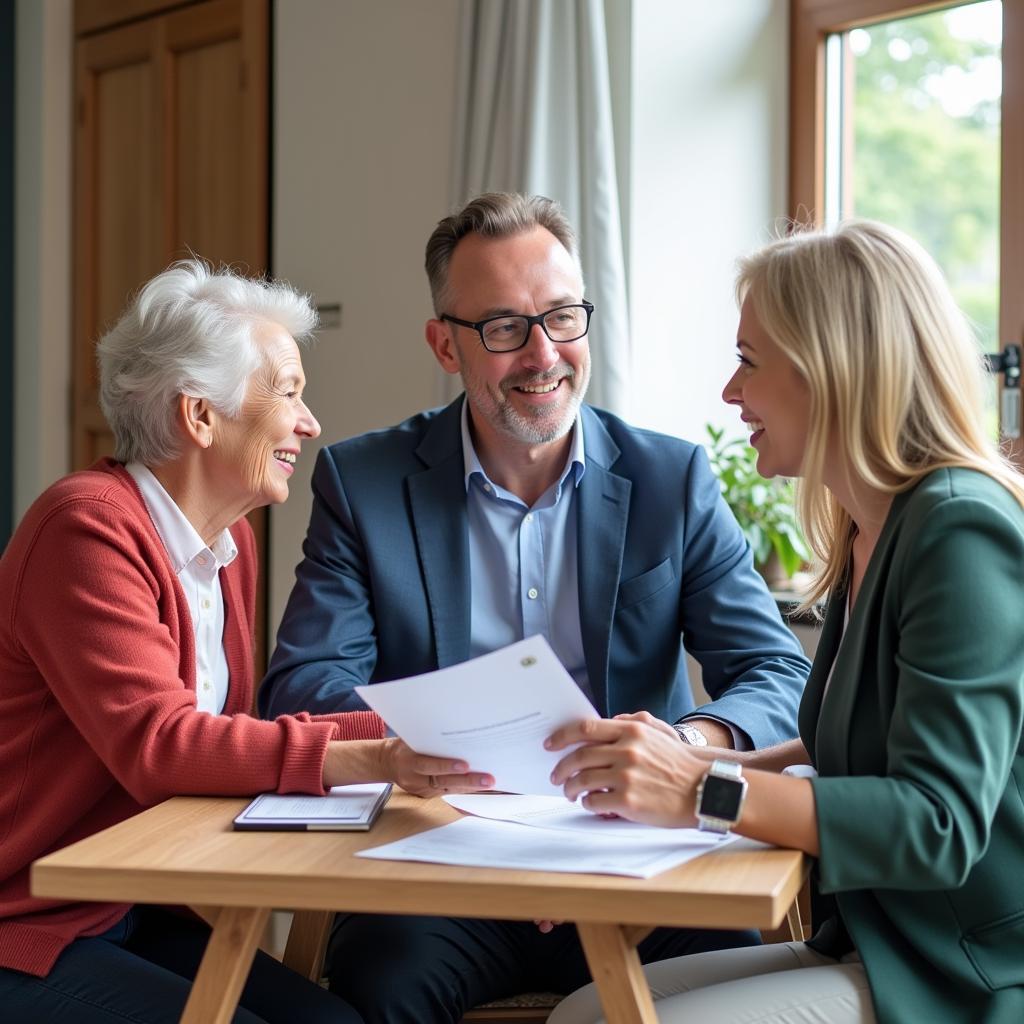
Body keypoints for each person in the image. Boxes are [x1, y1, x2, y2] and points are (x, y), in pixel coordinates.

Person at [260, 192, 811, 1023]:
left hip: (641, 855)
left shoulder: (673, 481)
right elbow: (303, 687)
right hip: (445, 862)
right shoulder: (361, 484)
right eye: (505, 327)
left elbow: (776, 672)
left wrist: (686, 742)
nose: (543, 354)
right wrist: (421, 745)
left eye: (562, 317)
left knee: (742, 979)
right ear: (445, 344)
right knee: (379, 990)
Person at [544, 219, 1024, 1024]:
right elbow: (851, 743)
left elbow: (937, 822)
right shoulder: (870, 526)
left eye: (748, 361)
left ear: (831, 370)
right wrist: (652, 788)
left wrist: (701, 787)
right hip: (881, 939)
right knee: (583, 1015)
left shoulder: (958, 530)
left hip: (967, 971)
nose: (731, 393)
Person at [0, 259, 488, 1024]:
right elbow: (162, 746)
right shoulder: (85, 527)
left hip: (125, 907)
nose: (310, 422)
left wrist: (421, 731)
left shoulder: (226, 544)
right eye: (289, 392)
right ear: (200, 416)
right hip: (26, 923)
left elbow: (235, 737)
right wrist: (379, 754)